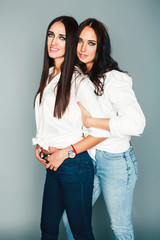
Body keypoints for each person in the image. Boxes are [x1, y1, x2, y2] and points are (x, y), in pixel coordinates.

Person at [57, 18, 145, 239]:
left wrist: (93, 122)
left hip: (115, 161)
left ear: (101, 47)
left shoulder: (115, 79)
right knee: (71, 219)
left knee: (120, 227)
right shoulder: (78, 76)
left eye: (91, 43)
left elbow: (137, 123)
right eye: (80, 41)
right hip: (89, 157)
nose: (83, 48)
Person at [32, 16, 109, 240]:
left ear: (72, 42)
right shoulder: (49, 76)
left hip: (74, 165)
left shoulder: (79, 82)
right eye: (51, 35)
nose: (53, 42)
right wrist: (39, 144)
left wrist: (65, 152)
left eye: (62, 37)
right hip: (52, 163)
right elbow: (49, 120)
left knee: (81, 231)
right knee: (47, 228)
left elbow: (102, 131)